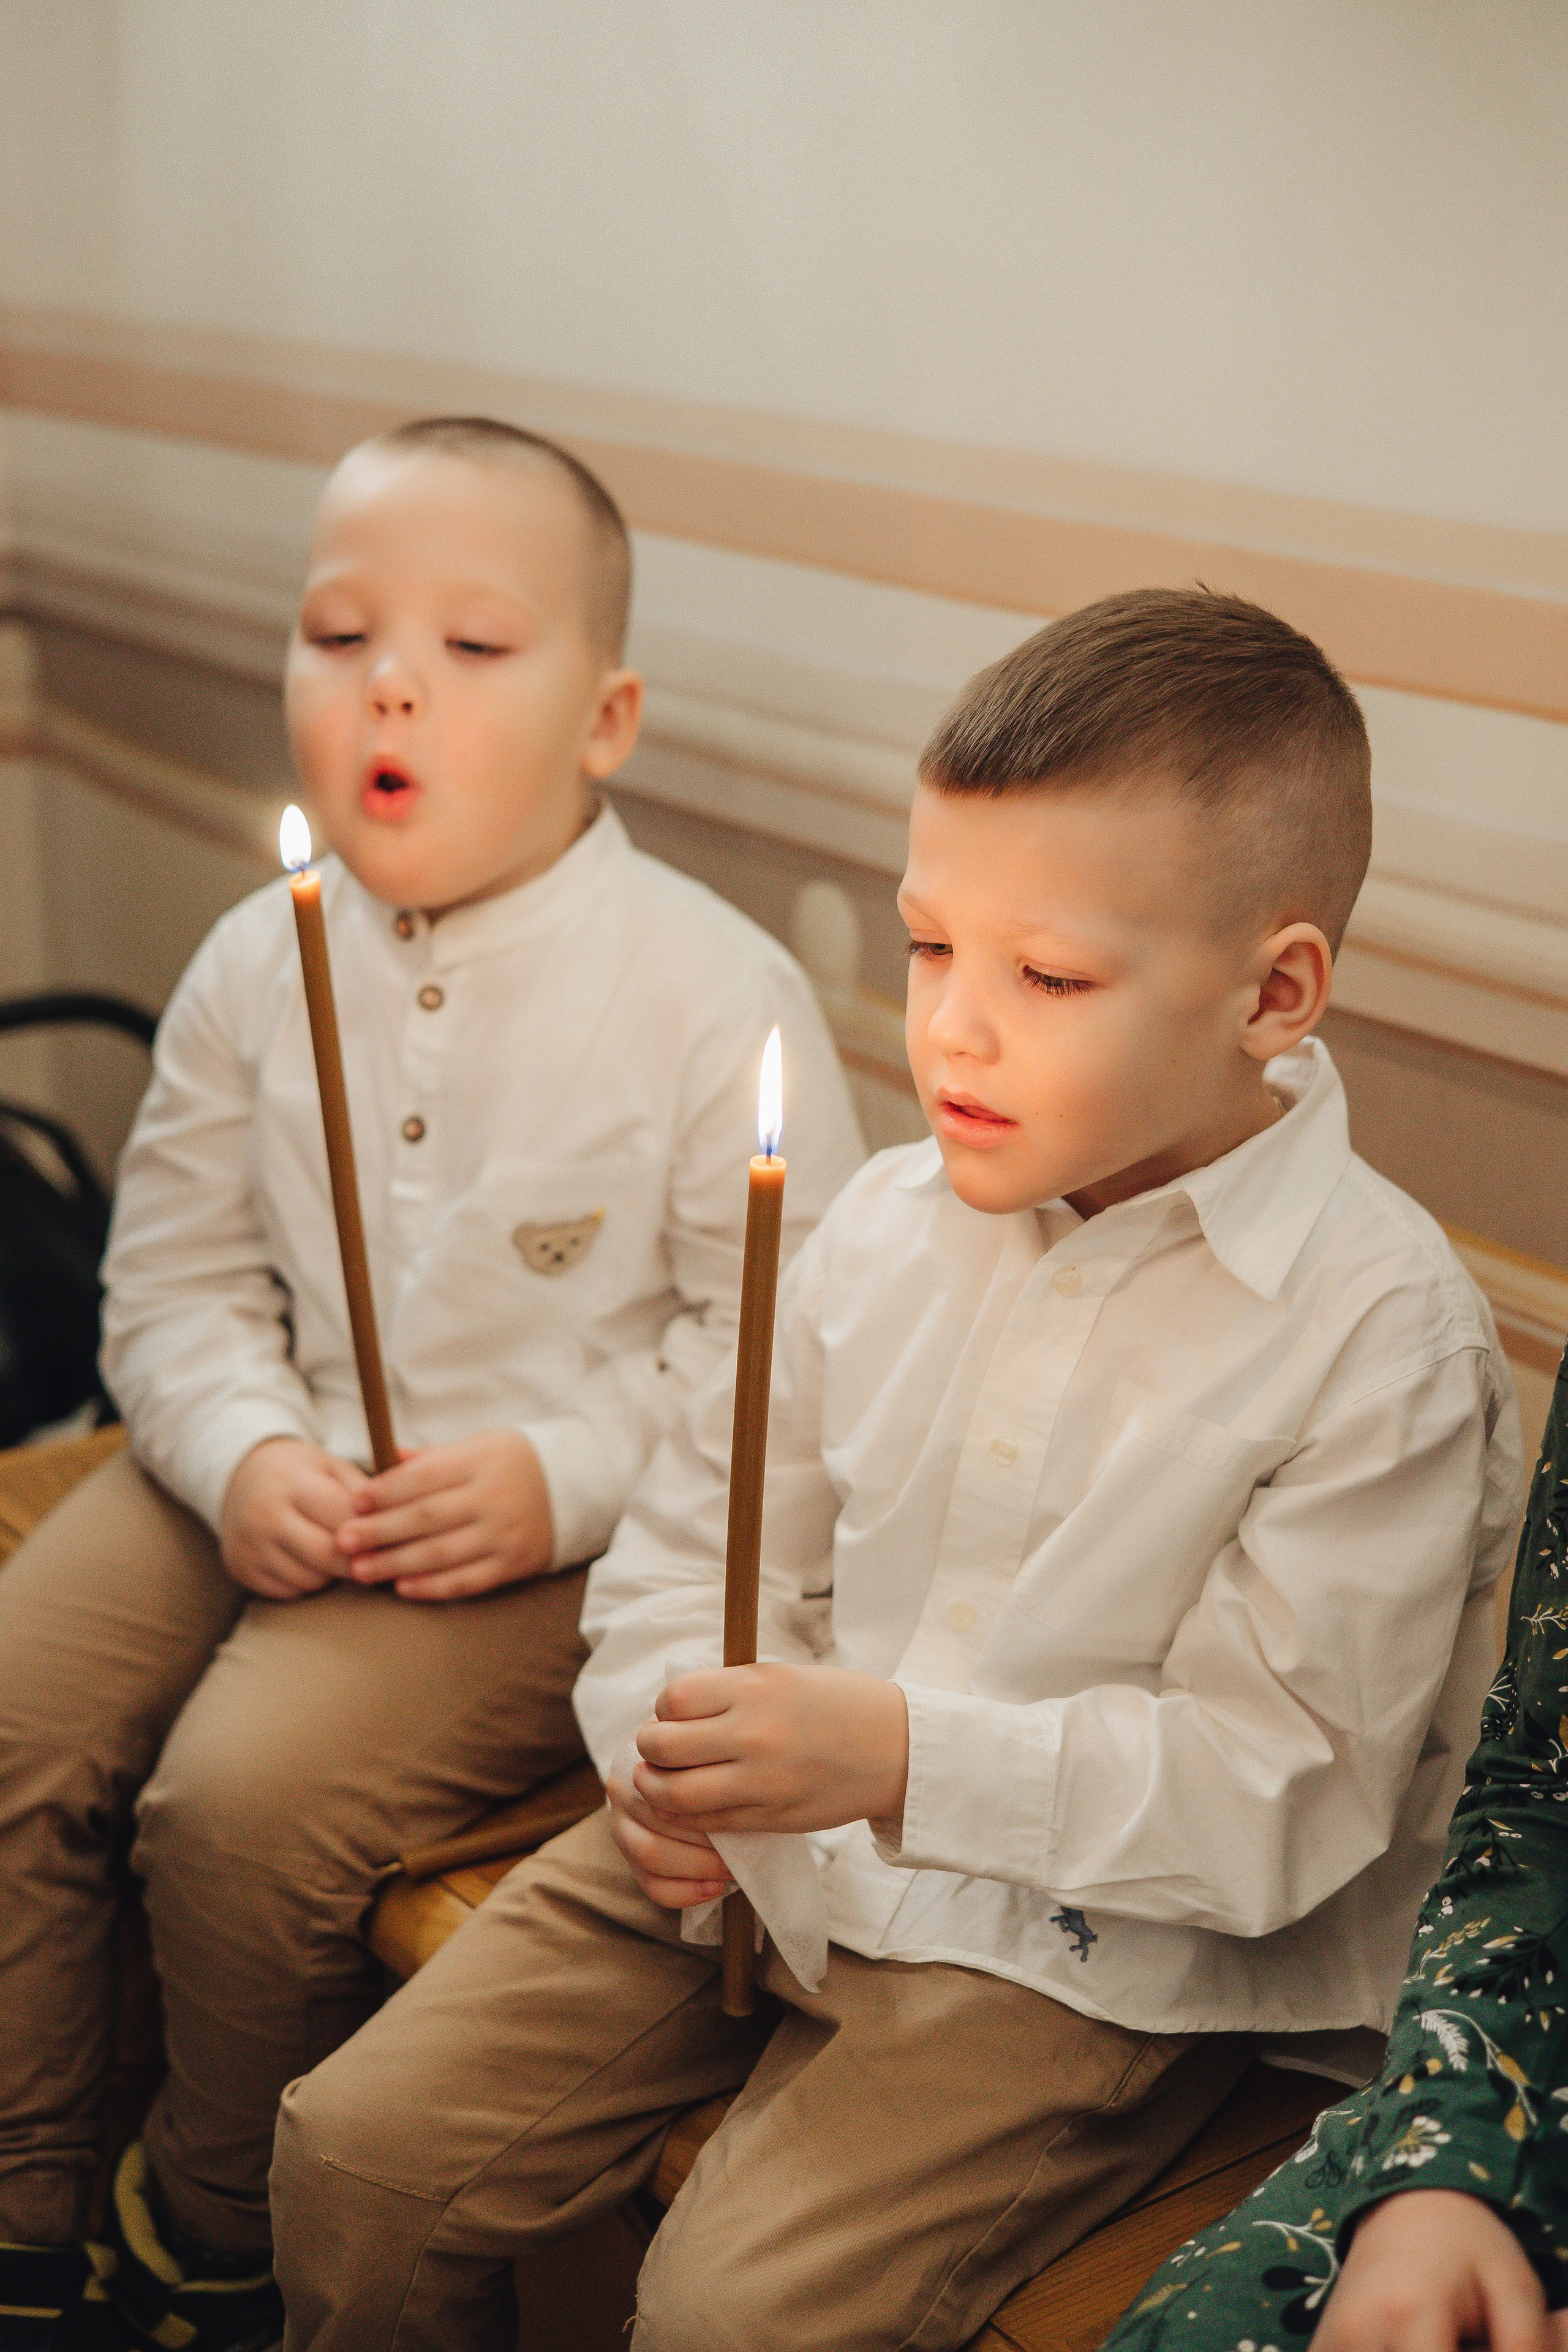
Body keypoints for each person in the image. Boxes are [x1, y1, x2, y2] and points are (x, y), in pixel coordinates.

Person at [271, 588, 1522, 2352]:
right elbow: (697, 1543)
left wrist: (905, 1761)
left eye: (1051, 977)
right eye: (934, 946)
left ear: (1278, 990)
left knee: (728, 2315)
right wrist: (654, 1746)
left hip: (1088, 1945)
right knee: (352, 2158)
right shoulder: (875, 1223)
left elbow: (1281, 1799)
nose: (952, 1029)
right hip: (765, 1842)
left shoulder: (1379, 1336)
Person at [0, 416, 864, 2352]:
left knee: (233, 1804)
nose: (391, 678)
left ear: (607, 716)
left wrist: (553, 1477)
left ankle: (210, 2212)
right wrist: (233, 1450)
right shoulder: (250, 965)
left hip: (553, 1539)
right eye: (338, 633)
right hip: (267, 1441)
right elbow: (173, 1282)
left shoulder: (707, 997)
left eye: (476, 647)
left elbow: (781, 1376)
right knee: (16, 1701)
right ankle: (20, 2182)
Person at [1097, 1344, 1568, 2352]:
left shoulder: (1393, 1341)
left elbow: (1272, 1782)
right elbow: (1538, 1795)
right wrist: (1443, 2168)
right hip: (1530, 2055)